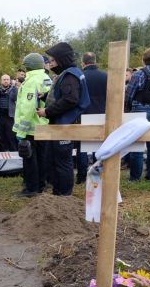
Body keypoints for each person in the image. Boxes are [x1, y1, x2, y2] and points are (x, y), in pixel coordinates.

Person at [37, 42, 90, 196]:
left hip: (64, 124)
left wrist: (47, 111)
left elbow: (70, 99)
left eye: (52, 61)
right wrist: (46, 96)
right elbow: (64, 93)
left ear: (61, 59)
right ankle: (58, 192)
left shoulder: (70, 75)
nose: (50, 64)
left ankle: (64, 195)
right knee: (55, 160)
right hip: (61, 124)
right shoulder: (70, 73)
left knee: (62, 162)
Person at [13, 53, 52, 197]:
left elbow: (28, 108)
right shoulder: (46, 78)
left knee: (29, 159)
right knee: (42, 158)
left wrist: (21, 132)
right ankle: (41, 185)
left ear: (28, 66)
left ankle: (31, 189)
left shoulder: (30, 82)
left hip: (31, 127)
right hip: (44, 125)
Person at [125, 47, 150, 181]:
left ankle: (135, 178)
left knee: (137, 144)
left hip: (140, 110)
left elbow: (129, 94)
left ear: (143, 59)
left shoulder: (139, 74)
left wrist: (128, 108)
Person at [79, 52, 107, 184]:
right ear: (95, 61)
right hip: (101, 113)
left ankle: (81, 176)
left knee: (82, 147)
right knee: (100, 146)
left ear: (83, 63)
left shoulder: (80, 76)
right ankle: (97, 174)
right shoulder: (105, 76)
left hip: (84, 113)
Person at [0, 74, 18, 152]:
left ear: (10, 80)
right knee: (0, 137)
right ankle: (2, 153)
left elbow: (15, 97)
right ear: (1, 81)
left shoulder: (14, 89)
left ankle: (13, 154)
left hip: (10, 117)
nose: (6, 81)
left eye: (7, 79)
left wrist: (14, 86)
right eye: (4, 79)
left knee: (11, 137)